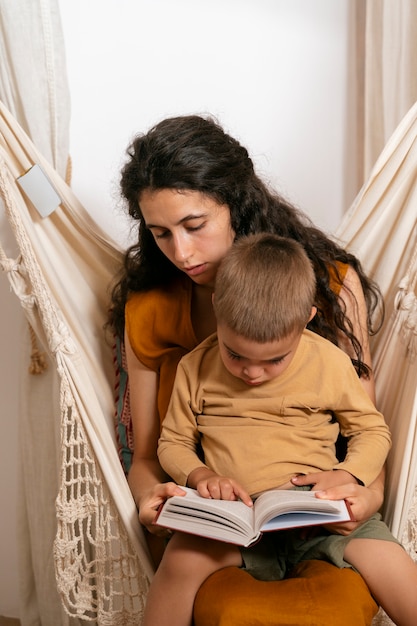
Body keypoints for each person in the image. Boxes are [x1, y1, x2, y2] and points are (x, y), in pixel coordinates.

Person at [109, 114, 386, 624]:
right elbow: (147, 455)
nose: (182, 252)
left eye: (195, 226)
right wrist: (153, 499)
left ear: (237, 204)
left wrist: (365, 496)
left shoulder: (326, 285)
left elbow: (365, 430)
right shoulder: (149, 306)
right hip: (211, 522)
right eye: (161, 234)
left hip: (316, 516)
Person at [150, 233, 417, 626]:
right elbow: (172, 442)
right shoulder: (195, 367)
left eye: (274, 360)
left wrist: (347, 475)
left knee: (397, 569)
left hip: (322, 518)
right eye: (235, 354)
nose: (252, 372)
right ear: (217, 309)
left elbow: (372, 431)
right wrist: (200, 474)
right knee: (176, 569)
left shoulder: (329, 362)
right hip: (233, 525)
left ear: (306, 319)